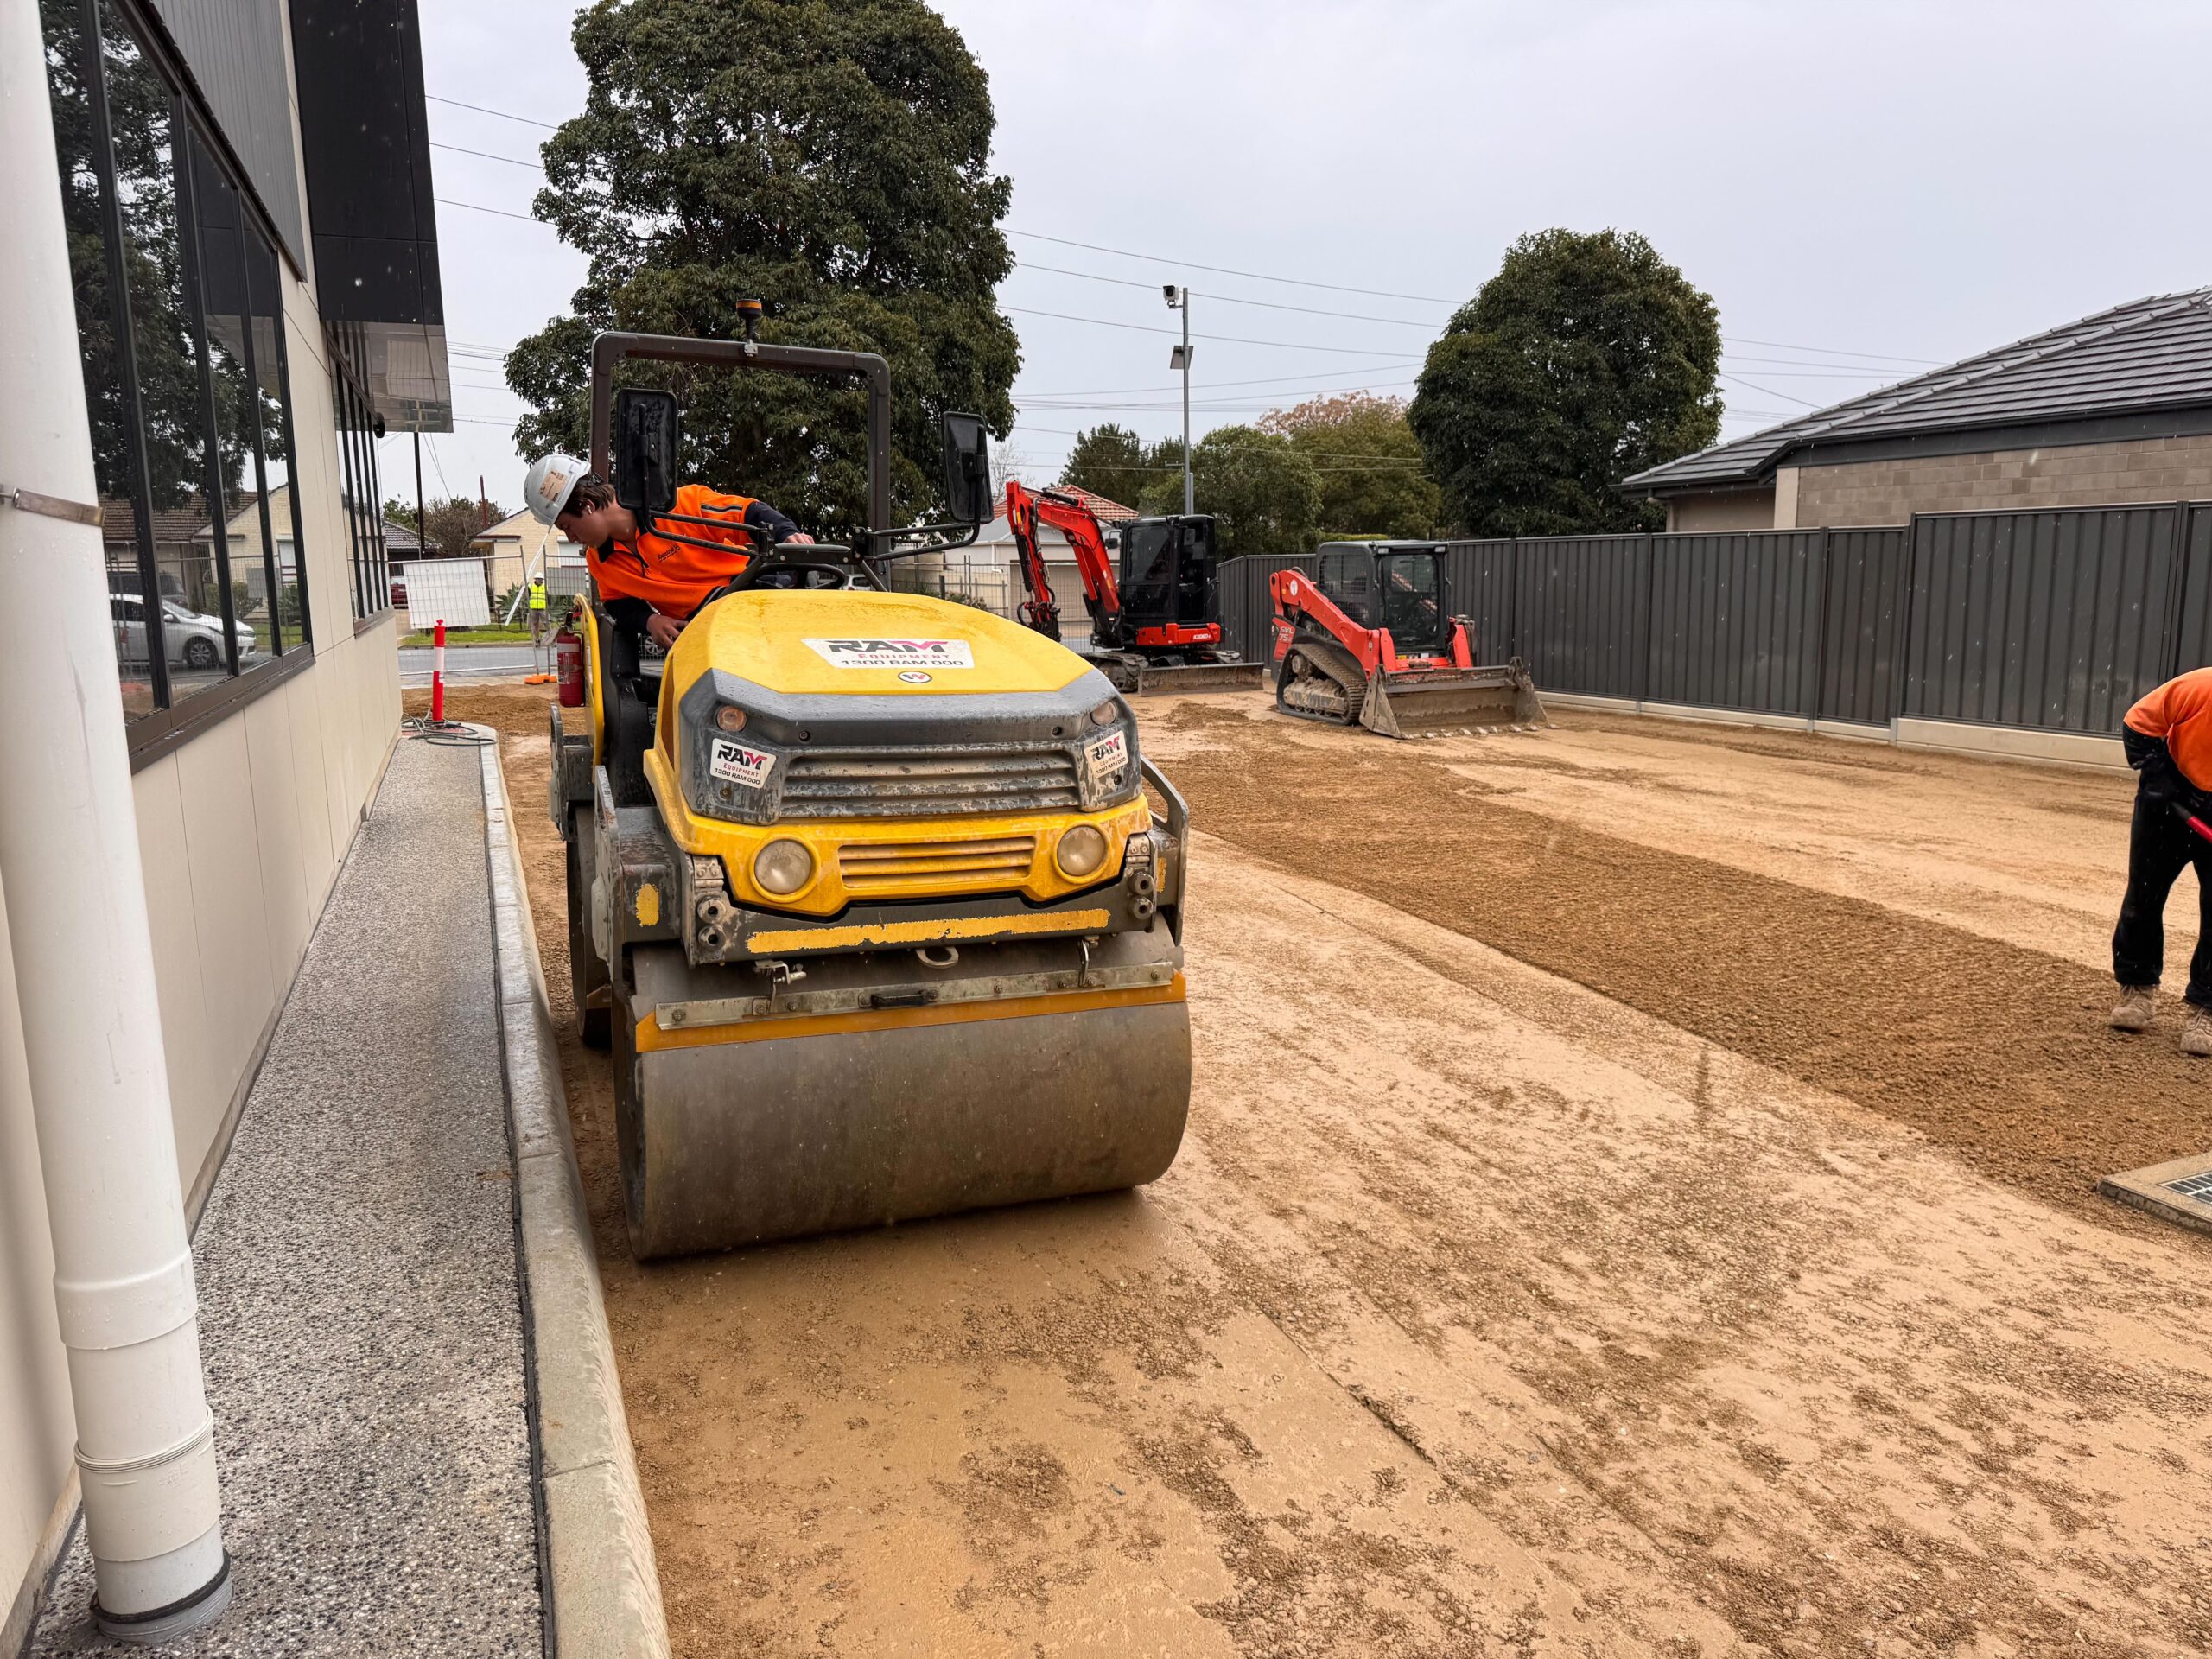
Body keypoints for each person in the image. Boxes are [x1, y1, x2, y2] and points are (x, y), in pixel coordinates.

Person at [522, 453, 812, 648]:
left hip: (750, 600)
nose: (571, 538)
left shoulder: (681, 506)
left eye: (568, 527)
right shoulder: (601, 561)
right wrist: (650, 621)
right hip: (702, 636)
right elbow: (618, 604)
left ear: (586, 507)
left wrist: (788, 535)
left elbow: (746, 513)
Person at [2111, 665, 2212, 1055]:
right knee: (2143, 899)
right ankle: (2137, 987)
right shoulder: (2199, 688)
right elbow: (2138, 722)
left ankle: (2207, 1007)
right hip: (2167, 802)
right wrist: (2158, 774)